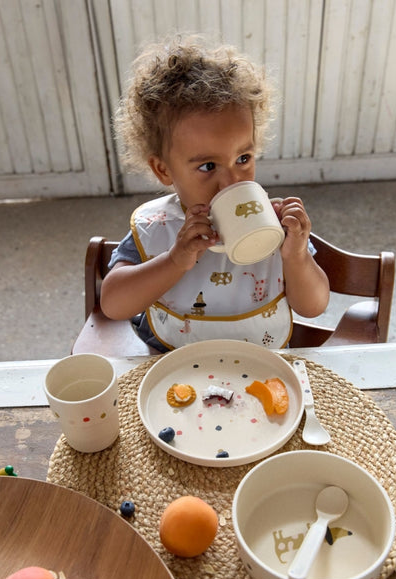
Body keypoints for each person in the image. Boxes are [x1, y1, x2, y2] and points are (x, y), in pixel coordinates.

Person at [101, 35, 329, 352]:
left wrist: (296, 255)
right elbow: (113, 304)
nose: (231, 182)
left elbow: (314, 306)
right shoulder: (158, 225)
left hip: (261, 365)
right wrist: (174, 261)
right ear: (164, 170)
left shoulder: (272, 224)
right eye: (208, 166)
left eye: (243, 159)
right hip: (171, 367)